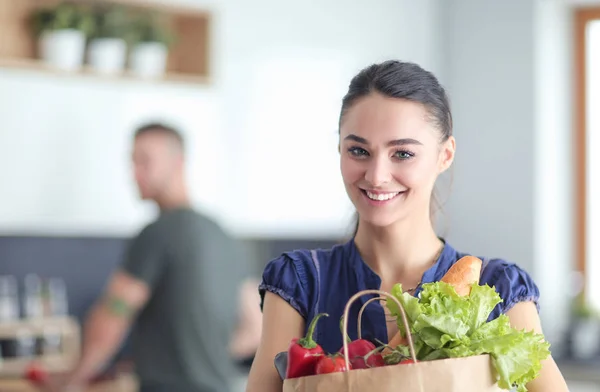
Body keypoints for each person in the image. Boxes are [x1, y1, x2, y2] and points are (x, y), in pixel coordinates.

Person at [245, 60, 569, 392]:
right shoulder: (299, 284)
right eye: (359, 151)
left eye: (402, 154)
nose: (376, 176)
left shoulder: (499, 290)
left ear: (445, 155)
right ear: (339, 148)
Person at [50, 123, 248, 392]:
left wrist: (72, 380)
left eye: (145, 161)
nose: (134, 173)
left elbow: (114, 314)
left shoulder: (158, 232)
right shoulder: (223, 235)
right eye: (132, 162)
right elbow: (255, 327)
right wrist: (199, 359)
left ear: (177, 162)